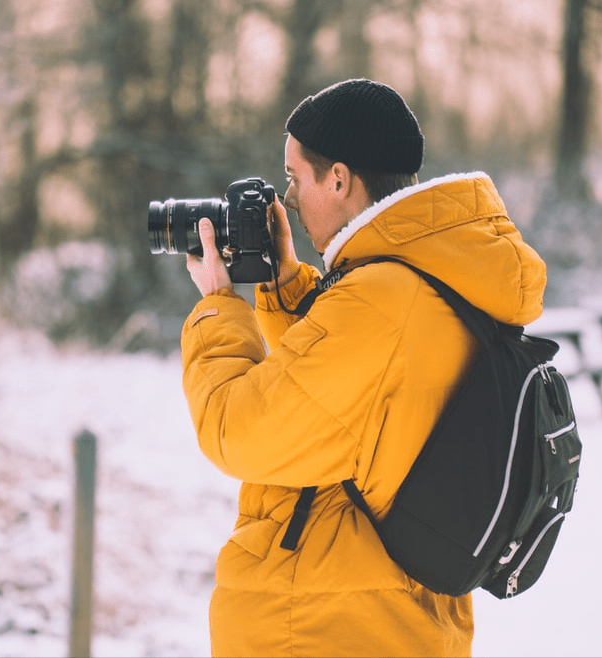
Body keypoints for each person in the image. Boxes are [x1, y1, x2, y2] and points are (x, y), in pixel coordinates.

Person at [180, 78, 547, 657]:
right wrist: (283, 283)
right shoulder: (431, 275)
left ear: (340, 178)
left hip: (333, 628)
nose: (289, 198)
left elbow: (237, 430)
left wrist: (217, 307)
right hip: (386, 615)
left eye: (295, 178)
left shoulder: (381, 299)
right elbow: (355, 398)